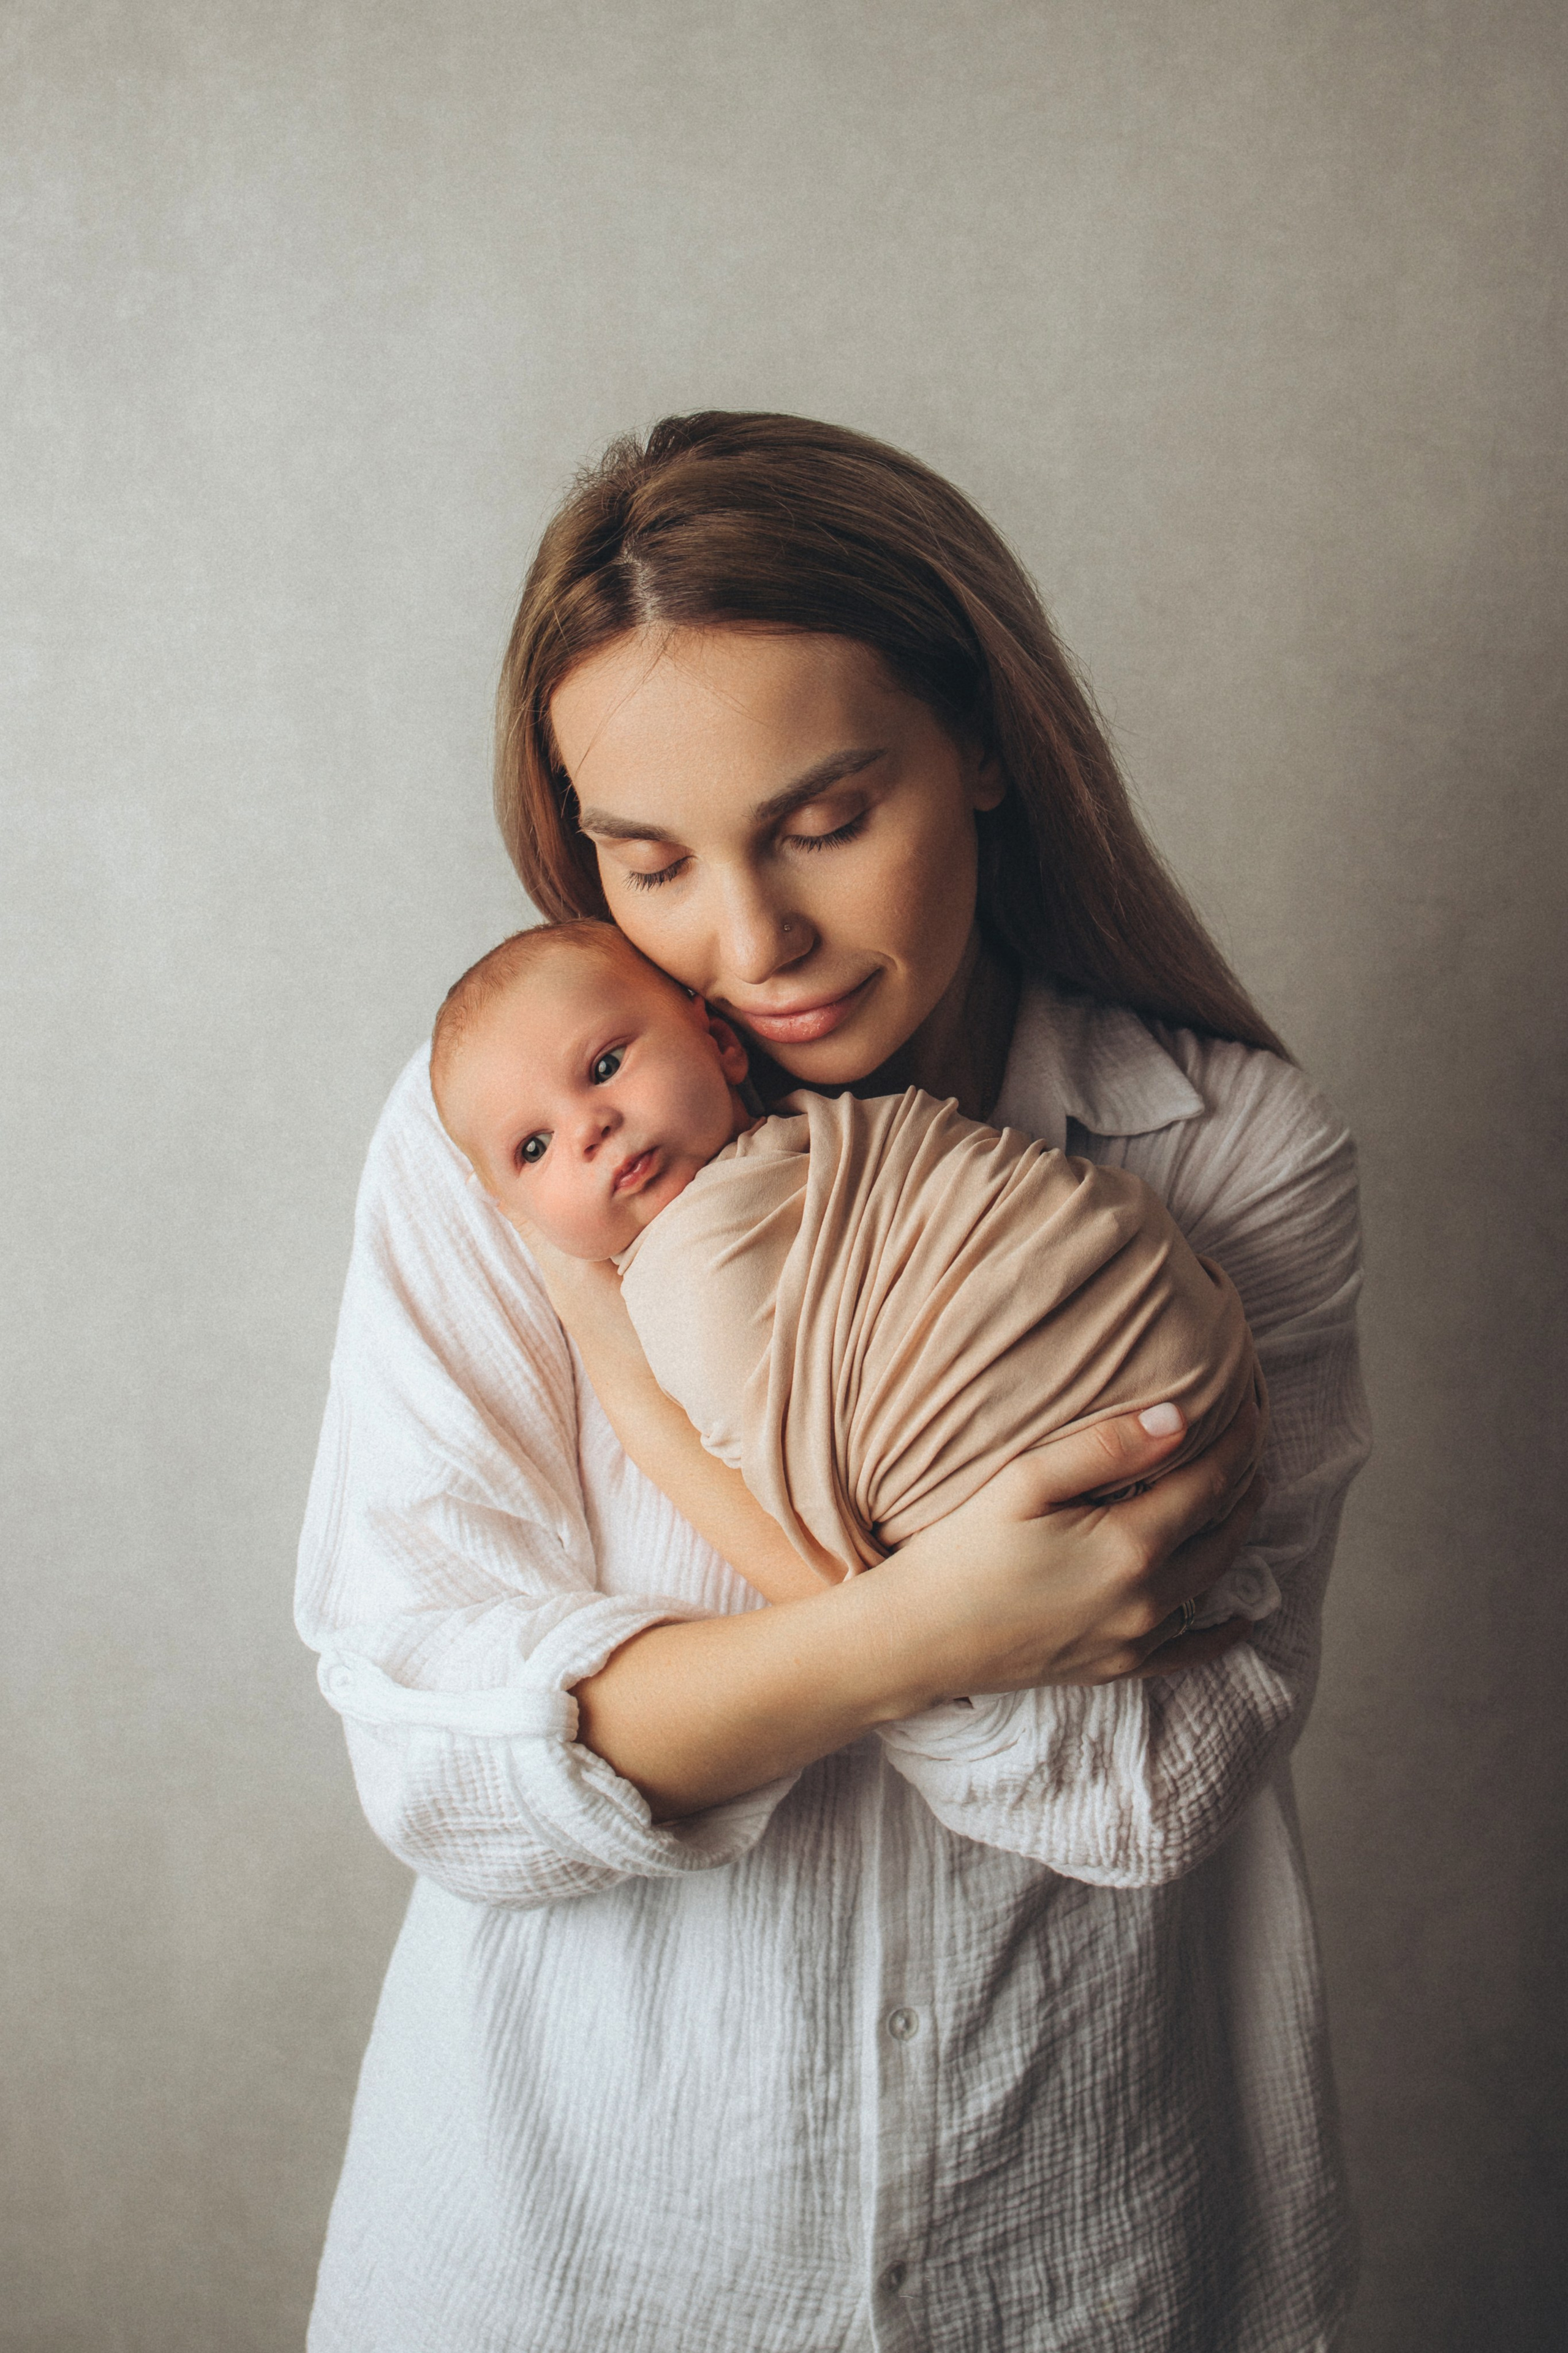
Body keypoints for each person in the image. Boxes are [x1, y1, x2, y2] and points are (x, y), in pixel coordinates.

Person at [296, 411, 1370, 2353]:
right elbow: (441, 1747)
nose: (750, 941)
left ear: (980, 745)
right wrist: (921, 1627)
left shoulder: (1222, 1148)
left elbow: (1151, 1781)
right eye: (651, 860)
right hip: (577, 2258)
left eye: (821, 818)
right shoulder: (514, 1141)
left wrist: (726, 1670)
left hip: (1085, 2249)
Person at [428, 916, 1263, 1587]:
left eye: (606, 1064)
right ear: (514, 1214)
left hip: (1123, 1305)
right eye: (532, 1149)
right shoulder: (679, 1292)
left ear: (718, 1041)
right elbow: (818, 1520)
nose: (587, 1128)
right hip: (1104, 1457)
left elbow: (975, 1203)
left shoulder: (835, 1145)